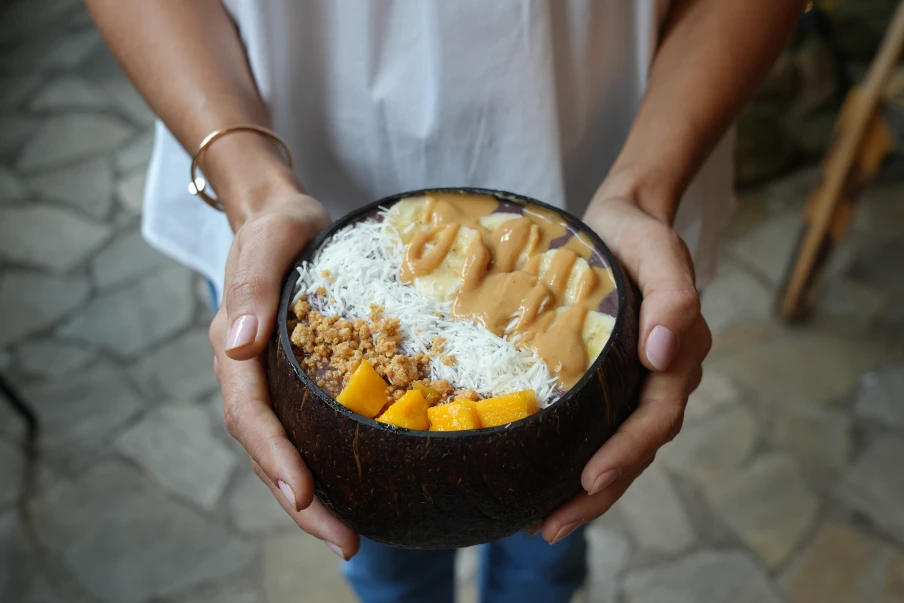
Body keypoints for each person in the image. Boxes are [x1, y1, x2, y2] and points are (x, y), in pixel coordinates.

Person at [87, 1, 806, 601]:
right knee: (382, 555)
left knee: (550, 533)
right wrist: (252, 186)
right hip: (283, 187)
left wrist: (645, 189)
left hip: (613, 156)